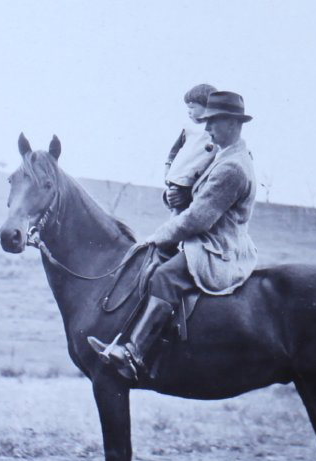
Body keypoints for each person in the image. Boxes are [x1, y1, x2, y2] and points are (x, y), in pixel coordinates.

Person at [88, 91, 257, 381]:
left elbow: (198, 218)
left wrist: (156, 236)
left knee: (164, 277)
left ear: (231, 122)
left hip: (217, 248)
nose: (206, 129)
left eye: (212, 122)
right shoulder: (223, 157)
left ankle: (135, 354)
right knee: (147, 266)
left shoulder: (233, 166)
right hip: (203, 241)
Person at [164, 84, 217, 215]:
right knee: (177, 208)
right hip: (180, 176)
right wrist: (168, 163)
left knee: (187, 212)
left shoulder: (214, 129)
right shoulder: (188, 128)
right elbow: (175, 148)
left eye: (192, 107)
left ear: (207, 107)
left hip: (196, 180)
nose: (189, 111)